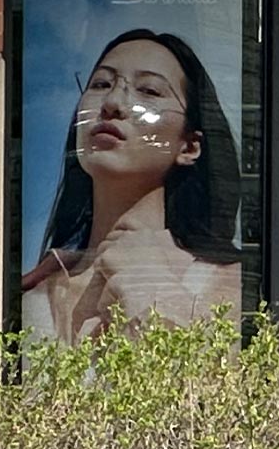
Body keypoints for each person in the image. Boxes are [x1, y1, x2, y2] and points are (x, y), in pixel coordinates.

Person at [21, 28, 243, 341]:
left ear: (190, 147)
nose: (113, 103)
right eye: (100, 84)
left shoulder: (231, 284)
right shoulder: (33, 295)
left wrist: (153, 291)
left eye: (149, 91)